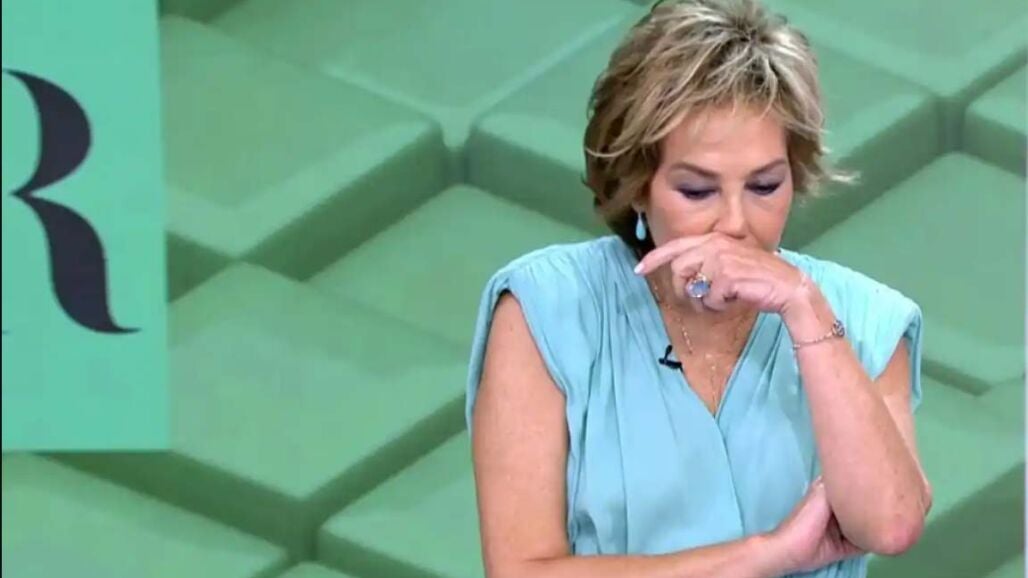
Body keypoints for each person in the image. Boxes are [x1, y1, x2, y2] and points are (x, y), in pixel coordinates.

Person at [464, 0, 933, 576]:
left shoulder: (864, 317)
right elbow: (520, 571)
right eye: (697, 191)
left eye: (765, 186)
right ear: (637, 187)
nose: (735, 223)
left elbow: (889, 525)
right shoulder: (546, 308)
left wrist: (805, 309)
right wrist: (768, 555)